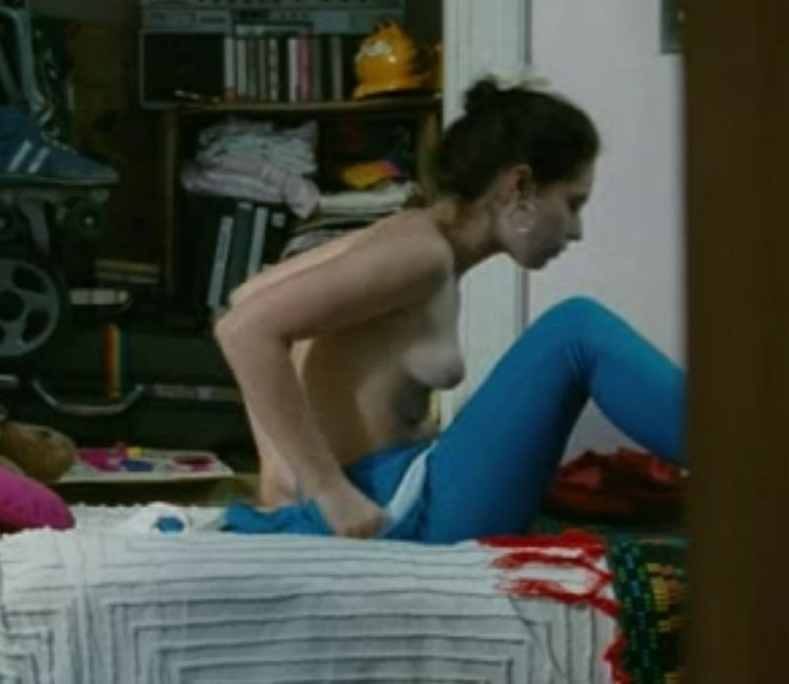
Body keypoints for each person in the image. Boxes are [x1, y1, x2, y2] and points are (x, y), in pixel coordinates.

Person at [213, 71, 687, 544]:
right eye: (572, 203)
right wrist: (324, 488)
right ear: (519, 186)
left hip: (401, 485)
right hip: (404, 506)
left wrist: (280, 471)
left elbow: (247, 297)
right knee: (576, 330)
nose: (576, 230)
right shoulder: (420, 253)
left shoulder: (411, 234)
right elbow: (244, 330)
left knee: (574, 333)